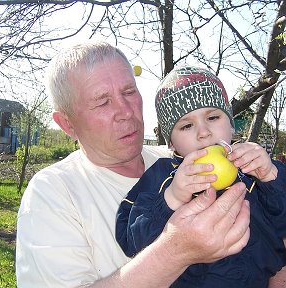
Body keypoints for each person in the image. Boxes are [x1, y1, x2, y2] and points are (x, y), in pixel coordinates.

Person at [15, 42, 251, 288]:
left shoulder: (181, 161)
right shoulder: (53, 193)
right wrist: (176, 251)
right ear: (67, 124)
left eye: (129, 92)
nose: (126, 111)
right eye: (102, 102)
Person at [116, 65, 286, 288]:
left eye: (213, 117)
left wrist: (270, 177)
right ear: (171, 143)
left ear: (232, 125)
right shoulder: (163, 177)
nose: (204, 132)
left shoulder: (253, 168)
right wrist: (173, 198)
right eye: (186, 125)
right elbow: (133, 241)